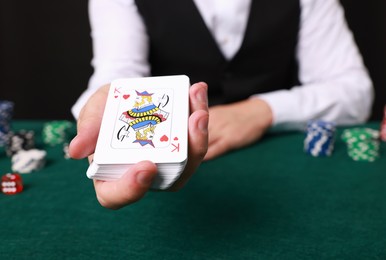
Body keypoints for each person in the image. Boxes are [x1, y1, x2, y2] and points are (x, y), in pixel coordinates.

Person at [69, 0, 373, 209]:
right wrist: (105, 114)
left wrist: (262, 111)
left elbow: (354, 91)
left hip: (284, 170)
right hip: (165, 160)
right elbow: (118, 76)